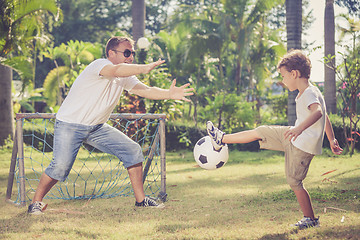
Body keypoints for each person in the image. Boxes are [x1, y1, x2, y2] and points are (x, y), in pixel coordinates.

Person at [28, 36, 194, 214]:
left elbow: (144, 90)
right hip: (70, 124)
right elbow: (116, 70)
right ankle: (36, 202)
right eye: (127, 52)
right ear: (111, 53)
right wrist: (144, 68)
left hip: (97, 127)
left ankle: (141, 201)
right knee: (60, 167)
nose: (131, 57)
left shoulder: (124, 77)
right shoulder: (99, 65)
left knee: (132, 150)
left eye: (133, 53)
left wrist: (169, 94)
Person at [206, 49, 343, 229]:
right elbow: (324, 116)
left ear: (294, 74)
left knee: (295, 182)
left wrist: (299, 129)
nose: (283, 80)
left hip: (301, 146)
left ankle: (310, 219)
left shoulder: (309, 93)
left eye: (284, 76)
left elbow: (318, 113)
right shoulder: (311, 90)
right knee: (261, 130)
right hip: (292, 137)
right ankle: (221, 138)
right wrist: (331, 139)